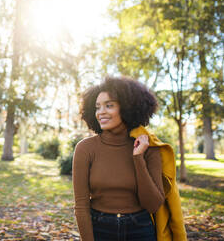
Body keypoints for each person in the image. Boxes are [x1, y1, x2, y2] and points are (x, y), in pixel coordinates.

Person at [72, 77, 186, 241]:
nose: (101, 112)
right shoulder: (85, 148)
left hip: (140, 228)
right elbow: (81, 206)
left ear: (127, 107)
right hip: (100, 228)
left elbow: (153, 205)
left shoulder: (149, 148)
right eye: (97, 107)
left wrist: (138, 158)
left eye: (109, 105)